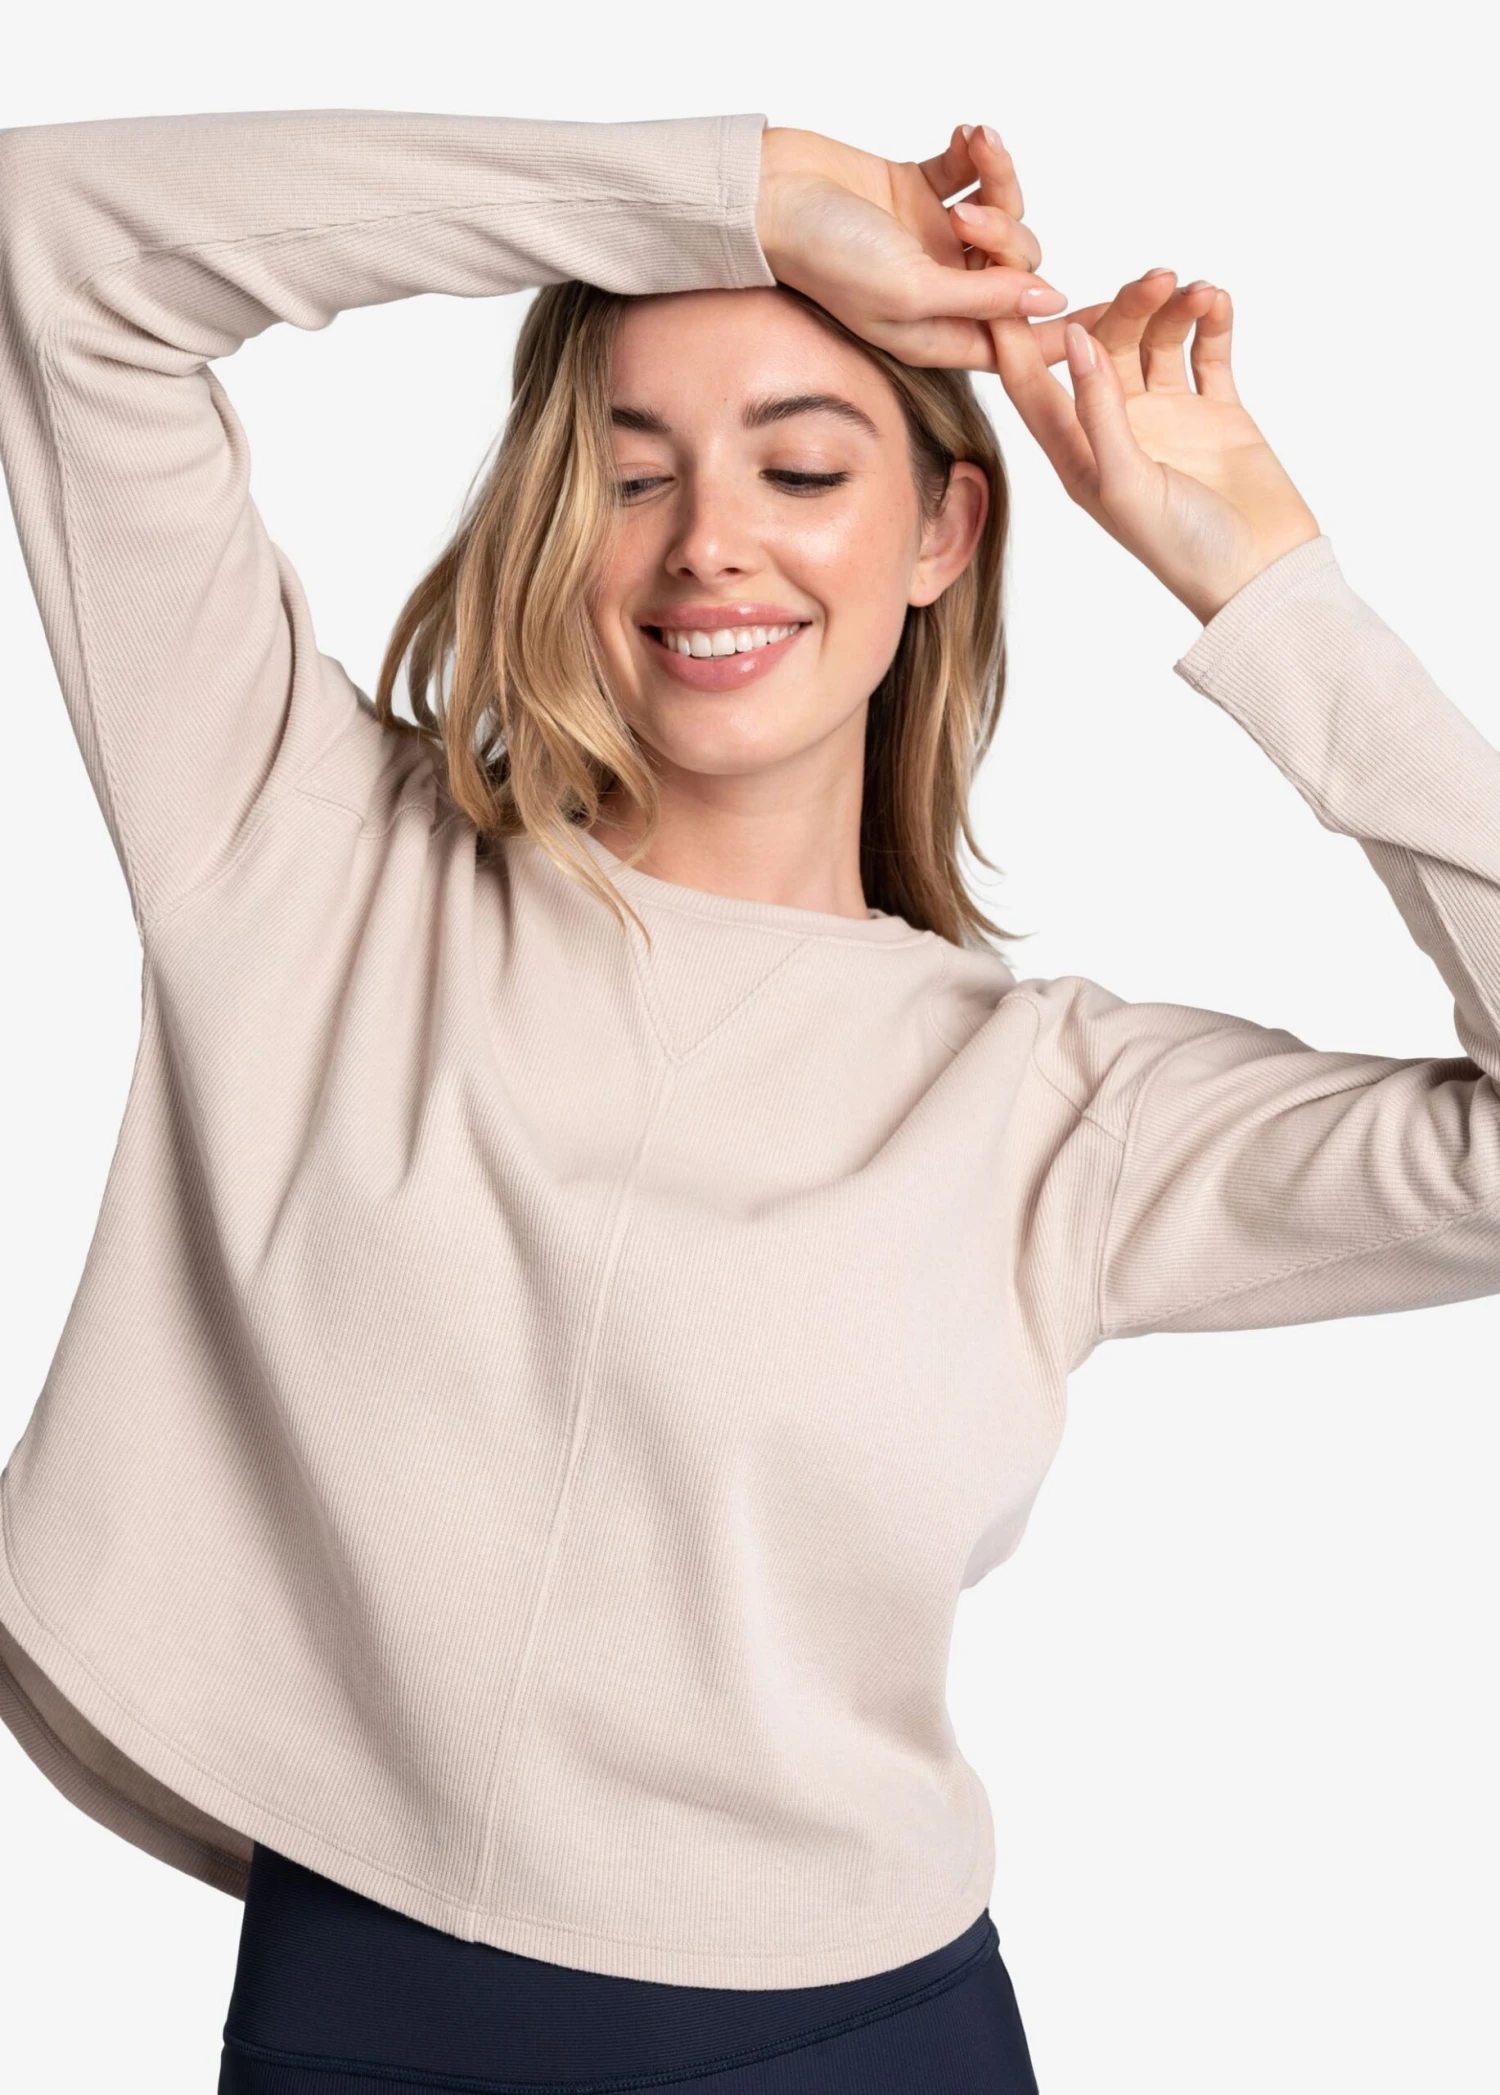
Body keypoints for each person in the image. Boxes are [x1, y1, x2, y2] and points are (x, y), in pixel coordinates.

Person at [0, 104, 1494, 2095]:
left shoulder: (1053, 1107)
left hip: (865, 2037)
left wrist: (1269, 591)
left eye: (802, 466)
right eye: (632, 474)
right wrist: (743, 195)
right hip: (364, 2020)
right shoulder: (306, 858)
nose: (709, 539)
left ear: (943, 535)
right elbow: (55, 242)